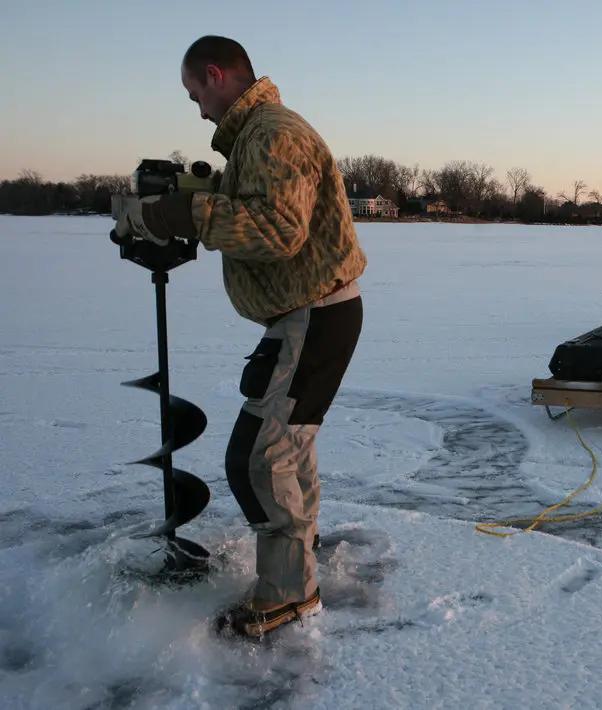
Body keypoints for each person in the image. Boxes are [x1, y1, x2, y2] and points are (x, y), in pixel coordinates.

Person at [113, 36, 367, 637]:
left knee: (258, 458)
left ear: (216, 73)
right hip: (311, 315)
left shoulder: (273, 133)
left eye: (195, 91)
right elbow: (253, 208)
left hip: (315, 314)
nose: (197, 107)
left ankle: (286, 594)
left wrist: (179, 216)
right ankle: (296, 572)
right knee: (287, 448)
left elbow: (279, 231)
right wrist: (191, 198)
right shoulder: (256, 138)